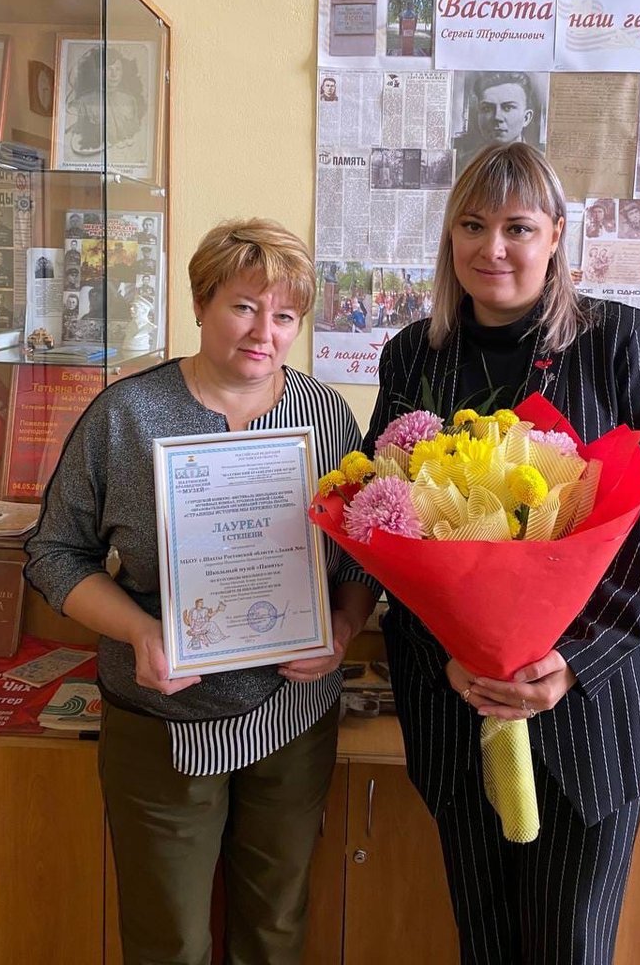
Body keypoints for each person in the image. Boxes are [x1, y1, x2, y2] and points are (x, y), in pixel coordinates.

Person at [362, 144, 640, 965]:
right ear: (449, 237)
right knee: (483, 940)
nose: (493, 248)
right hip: (457, 704)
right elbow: (380, 522)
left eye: (517, 227)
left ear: (555, 235)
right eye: (472, 225)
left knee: (568, 944)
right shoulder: (413, 355)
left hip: (594, 711)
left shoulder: (616, 341)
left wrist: (574, 660)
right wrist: (450, 655)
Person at [25, 218, 378, 964]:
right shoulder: (125, 415)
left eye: (285, 316)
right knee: (171, 939)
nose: (264, 333)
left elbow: (357, 558)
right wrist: (139, 631)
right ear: (199, 303)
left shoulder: (326, 415)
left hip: (292, 713)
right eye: (243, 306)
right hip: (164, 716)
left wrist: (343, 633)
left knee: (275, 929)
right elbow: (54, 553)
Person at [453, 72, 538, 172]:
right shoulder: (463, 163)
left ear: (526, 118)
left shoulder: (538, 163)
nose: (497, 117)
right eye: (487, 108)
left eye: (508, 108)